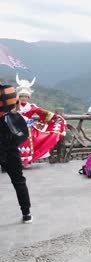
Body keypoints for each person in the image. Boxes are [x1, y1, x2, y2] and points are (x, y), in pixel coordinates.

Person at [15, 75, 66, 166]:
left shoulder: (32, 107)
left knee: (27, 145)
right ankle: (16, 162)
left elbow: (45, 114)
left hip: (28, 130)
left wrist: (56, 117)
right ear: (18, 96)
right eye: (22, 96)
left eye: (26, 96)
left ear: (28, 97)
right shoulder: (14, 107)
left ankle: (26, 162)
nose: (23, 98)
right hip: (16, 129)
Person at [0, 84, 33, 223]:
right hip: (9, 142)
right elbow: (17, 109)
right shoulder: (11, 91)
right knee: (18, 180)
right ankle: (26, 214)